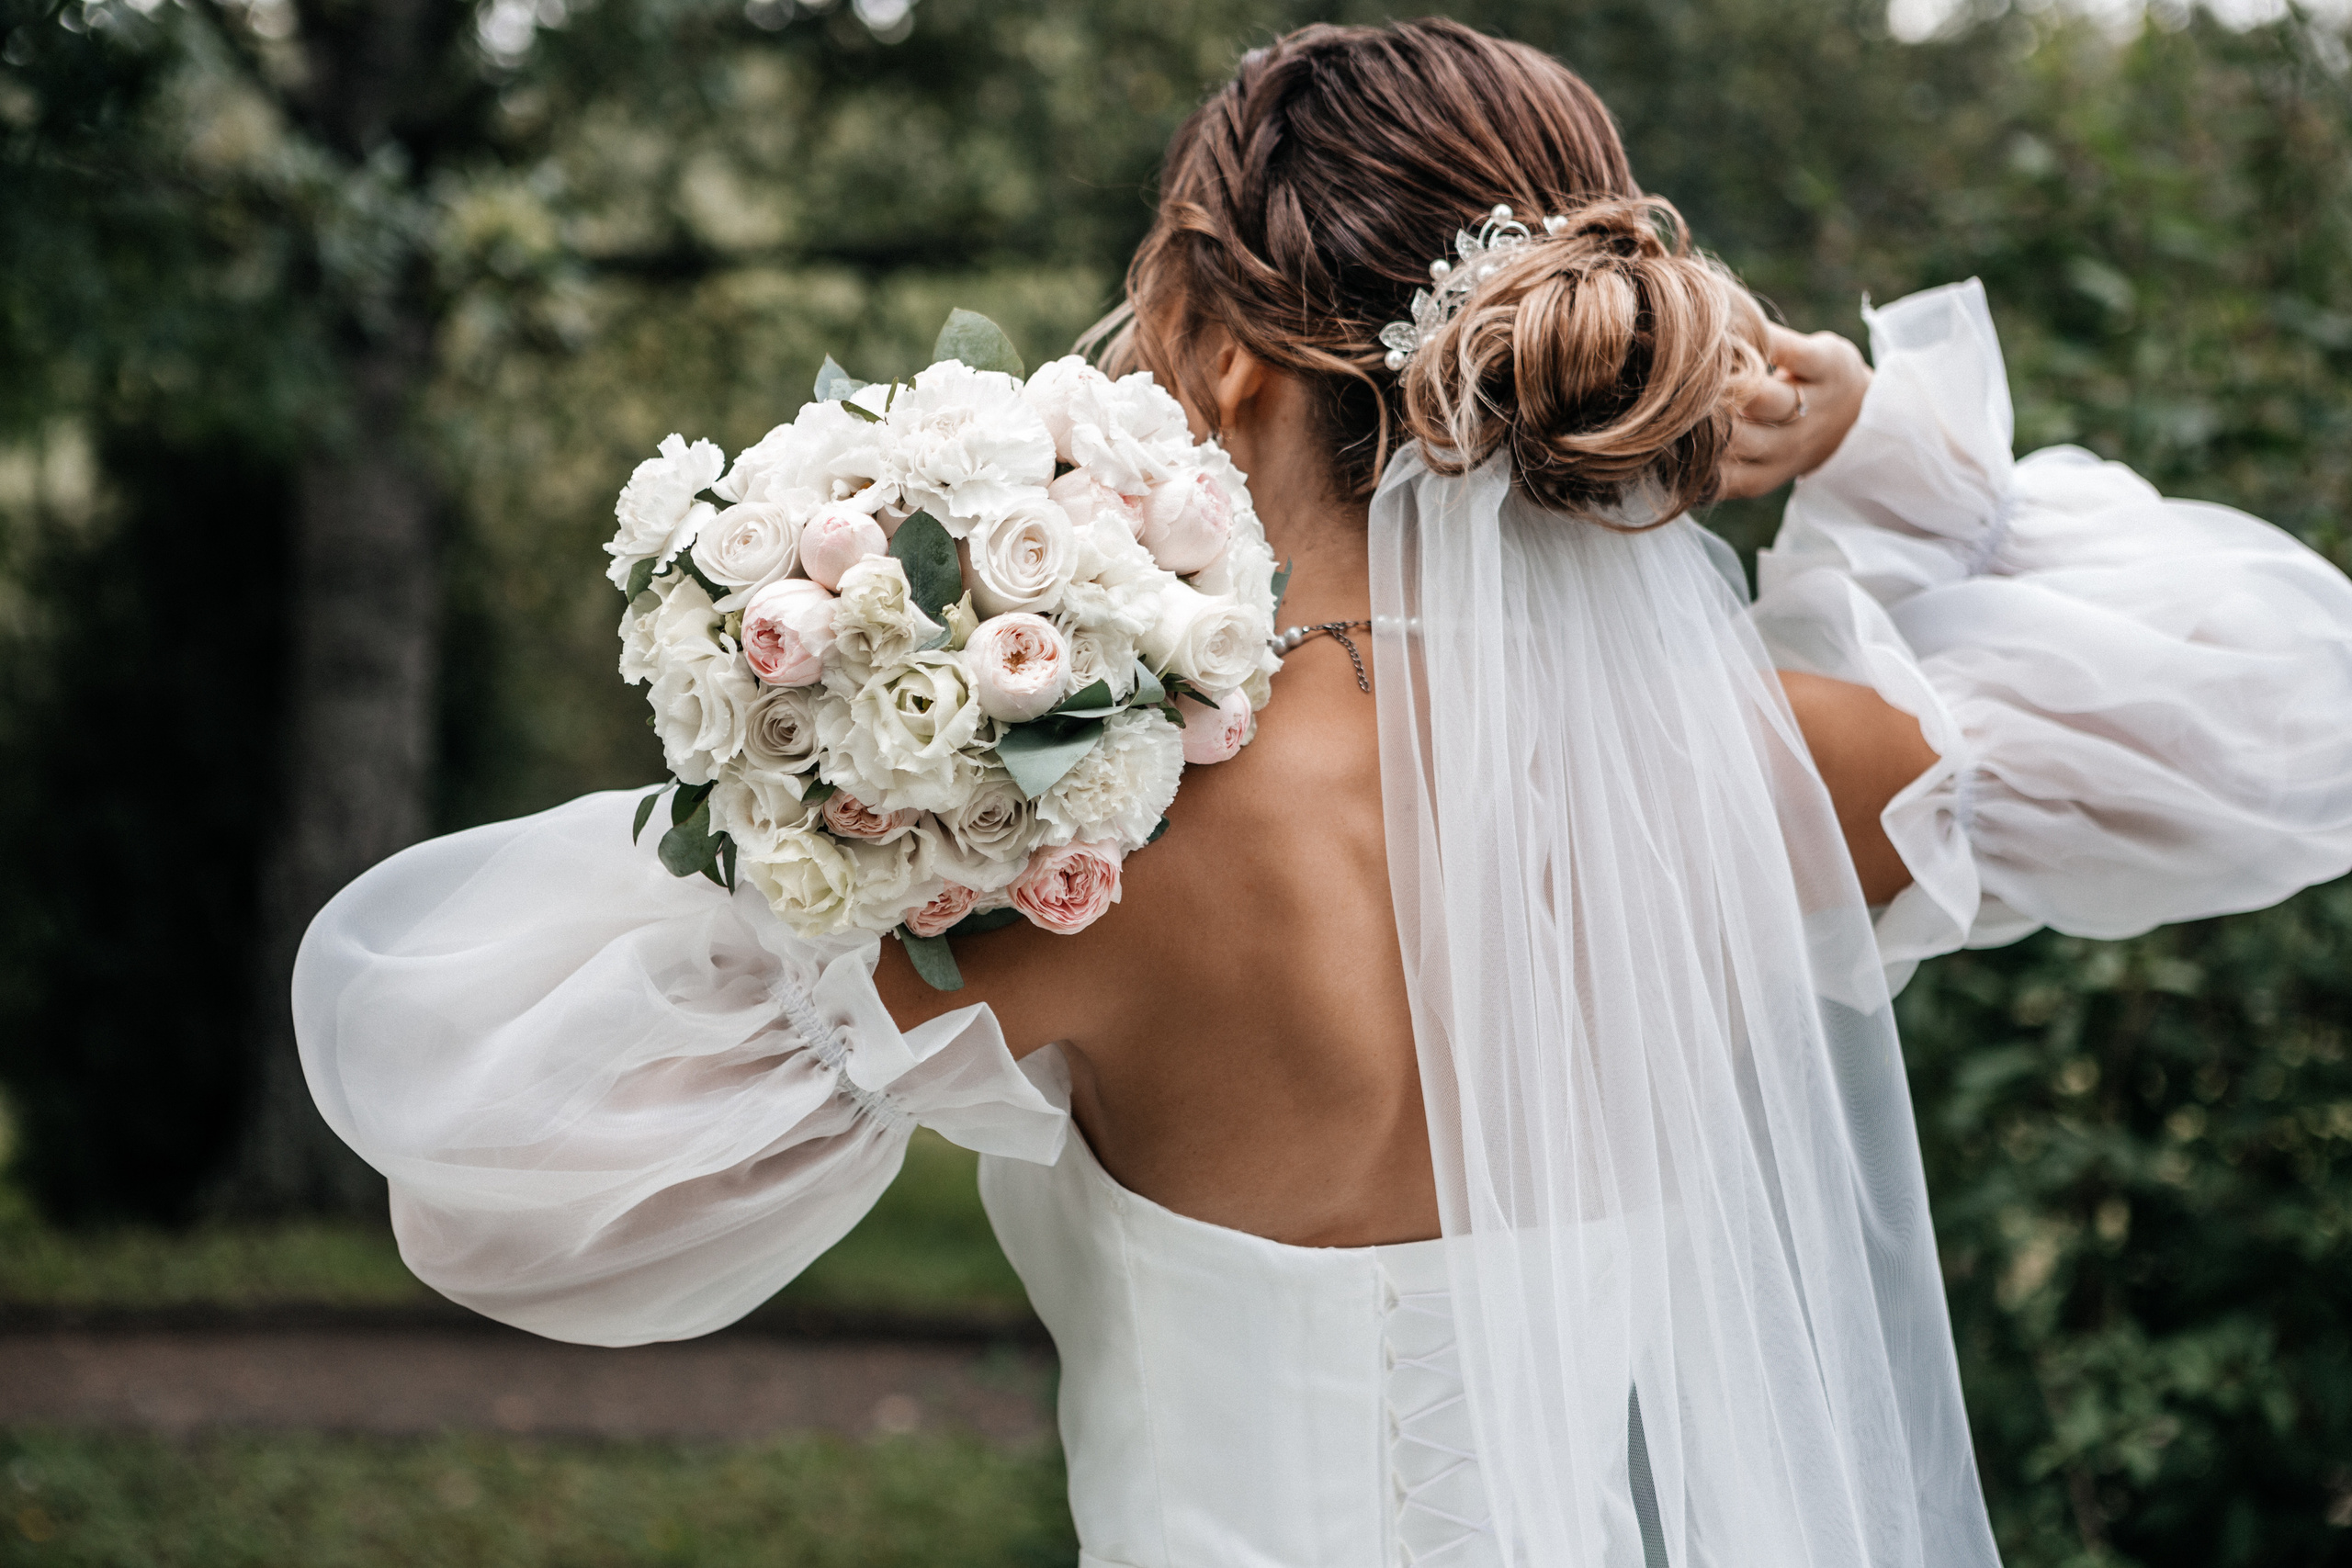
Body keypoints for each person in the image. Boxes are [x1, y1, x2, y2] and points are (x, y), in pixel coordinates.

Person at [292, 19, 2352, 1567]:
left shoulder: (1067, 840)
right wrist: (1871, 432)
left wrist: (835, 746)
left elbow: (498, 1199)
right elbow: (2283, 708)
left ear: (1212, 349)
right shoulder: (1760, 772)